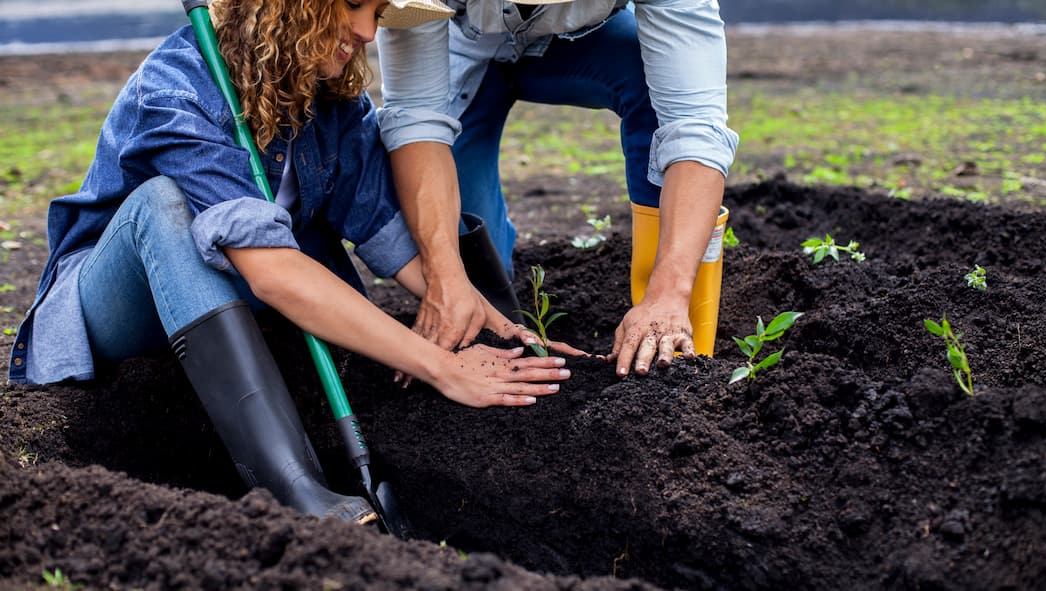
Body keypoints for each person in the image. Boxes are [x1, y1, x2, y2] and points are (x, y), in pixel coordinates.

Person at [7, 0, 573, 525]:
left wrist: (497, 325)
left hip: (238, 313)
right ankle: (291, 486)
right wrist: (437, 366)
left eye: (378, 11)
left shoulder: (335, 104)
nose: (368, 31)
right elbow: (273, 272)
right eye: (354, 4)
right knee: (163, 205)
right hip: (122, 307)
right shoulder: (175, 89)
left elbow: (390, 236)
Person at [375, 0, 739, 377]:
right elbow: (416, 116)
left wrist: (670, 292)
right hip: (457, 49)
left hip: (578, 43)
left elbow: (695, 124)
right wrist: (443, 277)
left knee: (651, 76)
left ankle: (675, 352)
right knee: (473, 284)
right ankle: (484, 317)